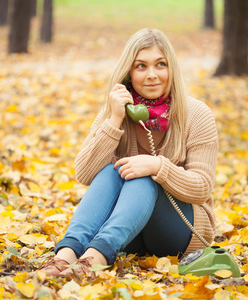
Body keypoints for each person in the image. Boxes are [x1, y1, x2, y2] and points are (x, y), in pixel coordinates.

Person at [40, 28, 218, 278]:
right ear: (129, 73)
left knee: (141, 174)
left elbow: (202, 187)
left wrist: (157, 166)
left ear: (171, 68)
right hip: (127, 234)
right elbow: (84, 173)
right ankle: (66, 255)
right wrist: (114, 120)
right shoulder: (117, 109)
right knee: (110, 171)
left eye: (160, 64)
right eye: (141, 66)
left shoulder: (197, 115)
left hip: (179, 233)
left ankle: (93, 261)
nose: (152, 75)